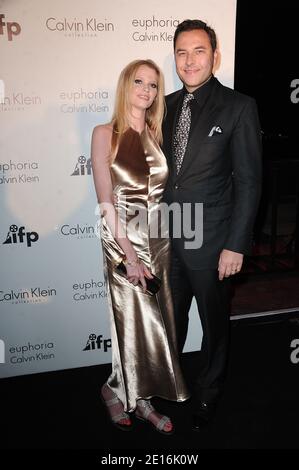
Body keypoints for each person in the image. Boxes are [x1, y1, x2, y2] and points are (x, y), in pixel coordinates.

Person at [162, 19, 262, 431]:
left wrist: (236, 245)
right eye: (182, 52)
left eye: (198, 51)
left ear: (214, 56)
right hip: (168, 237)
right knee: (171, 320)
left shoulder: (239, 106)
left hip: (214, 241)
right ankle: (172, 384)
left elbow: (250, 180)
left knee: (214, 324)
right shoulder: (163, 106)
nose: (189, 60)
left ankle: (208, 394)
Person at [91, 59, 189, 434]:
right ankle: (126, 395)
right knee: (133, 323)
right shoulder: (105, 133)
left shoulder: (155, 132)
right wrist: (128, 255)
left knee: (157, 324)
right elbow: (105, 199)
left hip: (159, 239)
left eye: (153, 84)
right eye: (139, 82)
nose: (146, 91)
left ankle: (126, 392)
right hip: (123, 239)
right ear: (125, 86)